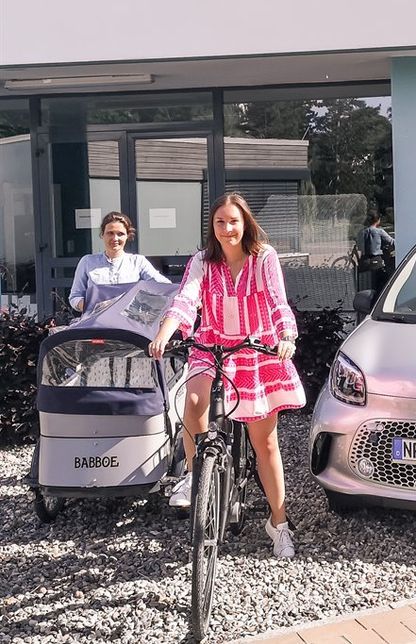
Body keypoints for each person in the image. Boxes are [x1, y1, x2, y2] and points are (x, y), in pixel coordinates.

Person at [148, 193, 306, 558]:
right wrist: (164, 333)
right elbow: (185, 299)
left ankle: (278, 523)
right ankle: (193, 476)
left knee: (264, 442)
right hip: (211, 344)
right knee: (192, 401)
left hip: (256, 349)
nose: (227, 228)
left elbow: (277, 301)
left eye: (233, 221)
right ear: (213, 227)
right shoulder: (202, 261)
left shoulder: (263, 257)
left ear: (245, 223)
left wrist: (286, 336)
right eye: (220, 222)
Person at [68, 211, 170, 313]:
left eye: (120, 234)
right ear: (102, 235)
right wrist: (92, 307)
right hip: (96, 321)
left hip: (128, 322)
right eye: (110, 233)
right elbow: (75, 296)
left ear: (127, 236)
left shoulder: (138, 262)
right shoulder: (87, 261)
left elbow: (165, 286)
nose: (115, 238)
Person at [356, 210, 395, 295]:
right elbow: (392, 242)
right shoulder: (379, 231)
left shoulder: (361, 232)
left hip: (364, 262)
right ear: (378, 220)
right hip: (377, 261)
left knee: (365, 285)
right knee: (384, 283)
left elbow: (359, 247)